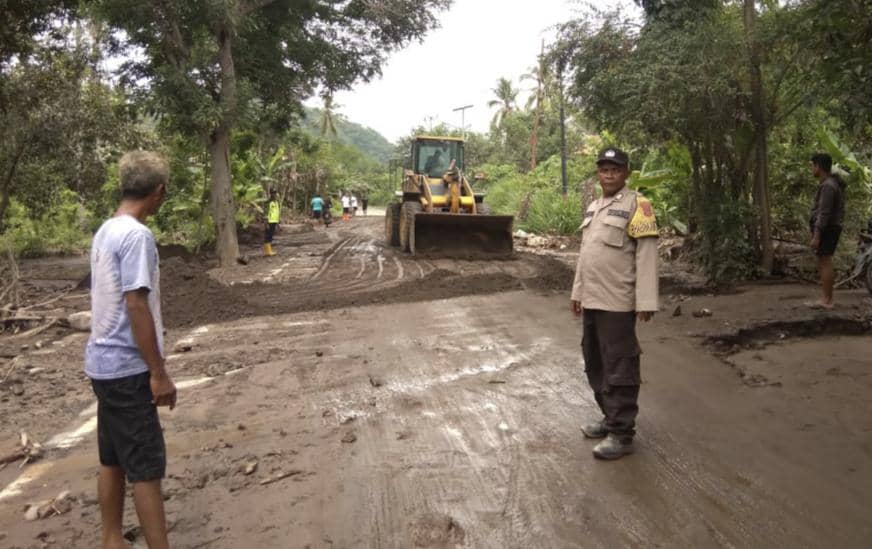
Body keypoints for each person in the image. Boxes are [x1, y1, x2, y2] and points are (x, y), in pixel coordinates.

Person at [86, 151, 176, 549]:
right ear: (158, 192)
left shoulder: (106, 230)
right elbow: (136, 303)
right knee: (145, 467)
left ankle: (111, 538)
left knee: (113, 458)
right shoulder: (137, 236)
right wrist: (157, 372)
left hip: (101, 365)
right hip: (127, 368)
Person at [570, 147, 659, 460]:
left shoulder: (638, 205)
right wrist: (577, 292)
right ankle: (610, 417)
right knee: (595, 360)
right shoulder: (595, 206)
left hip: (618, 301)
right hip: (593, 299)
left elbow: (646, 254)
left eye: (615, 169)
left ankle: (622, 433)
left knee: (620, 363)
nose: (609, 174)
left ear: (626, 173)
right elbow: (587, 254)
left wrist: (646, 300)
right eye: (604, 169)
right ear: (599, 173)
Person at [808, 153, 845, 309]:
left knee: (825, 261)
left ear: (818, 166)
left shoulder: (828, 186)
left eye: (813, 165)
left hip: (828, 229)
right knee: (824, 261)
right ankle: (826, 298)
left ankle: (827, 300)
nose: (812, 169)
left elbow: (824, 213)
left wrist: (817, 235)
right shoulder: (830, 183)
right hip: (830, 227)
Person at [264, 188, 280, 256]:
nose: (274, 194)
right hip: (269, 221)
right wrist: (266, 222)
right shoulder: (268, 202)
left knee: (271, 236)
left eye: (275, 193)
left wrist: (278, 222)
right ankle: (268, 251)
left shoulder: (276, 202)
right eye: (273, 193)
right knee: (268, 236)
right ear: (270, 194)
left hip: (274, 221)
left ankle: (269, 250)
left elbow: (276, 212)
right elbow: (266, 213)